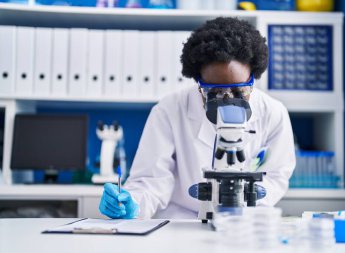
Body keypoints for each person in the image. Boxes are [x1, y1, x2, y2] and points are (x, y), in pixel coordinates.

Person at [99, 17, 296, 219]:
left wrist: (248, 196)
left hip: (246, 219)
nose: (227, 99)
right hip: (182, 220)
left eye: (239, 90)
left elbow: (276, 174)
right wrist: (132, 203)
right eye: (214, 92)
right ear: (199, 83)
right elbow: (151, 181)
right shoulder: (169, 109)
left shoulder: (273, 112)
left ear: (253, 78)